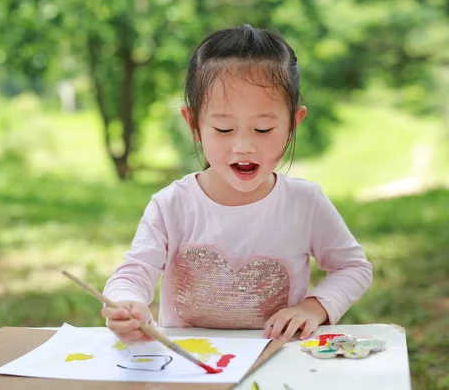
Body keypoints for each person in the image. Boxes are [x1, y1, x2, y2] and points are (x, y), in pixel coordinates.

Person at [102, 24, 372, 345]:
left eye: (262, 129)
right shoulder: (171, 205)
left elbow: (353, 267)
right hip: (190, 361)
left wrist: (313, 308)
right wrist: (126, 304)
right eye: (224, 129)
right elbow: (134, 273)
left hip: (276, 359)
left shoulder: (305, 202)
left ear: (293, 124)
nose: (243, 146)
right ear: (194, 125)